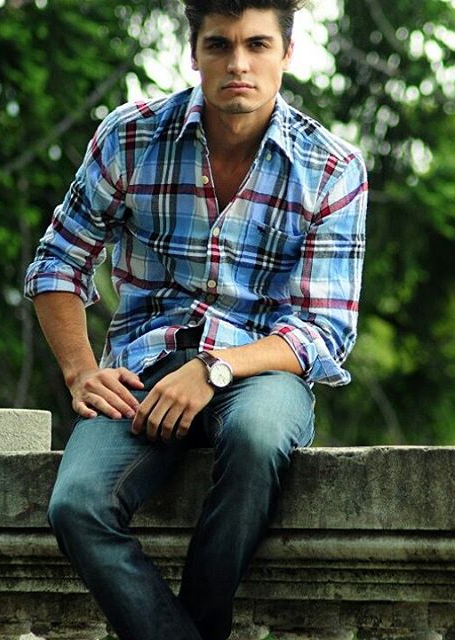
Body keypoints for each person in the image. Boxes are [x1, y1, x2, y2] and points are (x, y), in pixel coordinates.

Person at [24, 1, 368, 638]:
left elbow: (325, 331)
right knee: (76, 504)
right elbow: (56, 263)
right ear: (194, 53)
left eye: (257, 45)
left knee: (259, 437)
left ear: (287, 53)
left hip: (259, 371)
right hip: (142, 369)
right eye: (219, 45)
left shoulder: (331, 167)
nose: (238, 64)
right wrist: (79, 371)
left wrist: (214, 369)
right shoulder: (130, 137)